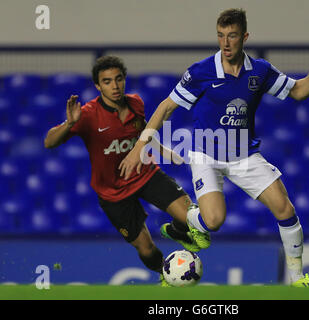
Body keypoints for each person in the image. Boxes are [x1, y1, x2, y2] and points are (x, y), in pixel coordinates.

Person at [120, 8, 309, 288]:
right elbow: (166, 107)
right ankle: (185, 223)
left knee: (285, 209)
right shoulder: (201, 71)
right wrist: (140, 146)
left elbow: (297, 91)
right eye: (221, 36)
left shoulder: (260, 71)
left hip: (244, 155)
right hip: (206, 154)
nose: (225, 43)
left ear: (245, 37)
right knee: (213, 221)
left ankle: (298, 279)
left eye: (232, 36)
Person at [44, 55, 200, 286]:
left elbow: (143, 131)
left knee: (190, 216)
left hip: (145, 174)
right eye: (107, 81)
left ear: (124, 80)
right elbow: (49, 142)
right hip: (112, 193)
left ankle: (177, 231)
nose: (114, 86)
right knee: (145, 247)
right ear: (98, 86)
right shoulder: (86, 115)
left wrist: (163, 150)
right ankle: (165, 274)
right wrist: (68, 124)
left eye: (118, 79)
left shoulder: (136, 102)